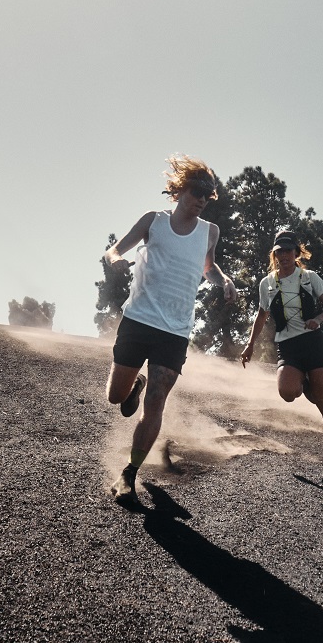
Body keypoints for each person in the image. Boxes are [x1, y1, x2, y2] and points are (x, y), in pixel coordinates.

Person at [103, 155, 238, 501]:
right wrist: (117, 261)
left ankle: (129, 474)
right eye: (197, 191)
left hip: (175, 331)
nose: (202, 199)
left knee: (157, 403)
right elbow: (115, 250)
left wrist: (223, 280)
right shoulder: (154, 221)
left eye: (208, 195)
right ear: (180, 190)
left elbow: (208, 267)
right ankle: (132, 386)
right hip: (138, 321)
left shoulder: (210, 232)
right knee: (116, 396)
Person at [240, 229, 323, 468]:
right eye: (279, 251)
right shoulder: (267, 284)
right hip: (288, 346)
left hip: (314, 343)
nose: (284, 255)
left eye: (288, 250)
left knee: (321, 399)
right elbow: (262, 316)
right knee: (287, 393)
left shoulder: (310, 277)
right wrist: (249, 345)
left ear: (296, 252)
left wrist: (318, 320)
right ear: (274, 254)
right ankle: (302, 383)